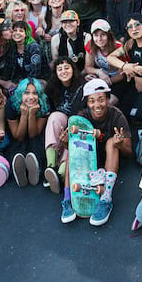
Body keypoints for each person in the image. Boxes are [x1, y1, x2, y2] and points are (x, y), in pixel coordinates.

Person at [59, 79, 132, 226]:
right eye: (92, 101)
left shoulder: (117, 116)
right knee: (70, 152)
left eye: (101, 100)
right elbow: (73, 148)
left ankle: (106, 199)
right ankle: (67, 199)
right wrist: (64, 142)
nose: (97, 105)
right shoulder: (82, 118)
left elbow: (129, 152)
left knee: (112, 142)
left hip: (110, 162)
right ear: (87, 102)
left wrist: (120, 144)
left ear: (107, 100)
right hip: (87, 160)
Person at [43, 57, 85, 193]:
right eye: (59, 69)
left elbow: (82, 112)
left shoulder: (82, 86)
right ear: (55, 72)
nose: (63, 71)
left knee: (73, 127)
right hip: (61, 121)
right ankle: (51, 166)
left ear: (73, 69)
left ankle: (60, 173)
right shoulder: (51, 87)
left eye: (67, 67)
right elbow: (50, 109)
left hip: (76, 122)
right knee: (54, 117)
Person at [6, 78, 49, 187]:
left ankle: (35, 169)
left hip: (36, 136)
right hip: (18, 136)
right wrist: (24, 115)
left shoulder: (45, 104)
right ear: (20, 94)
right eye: (26, 93)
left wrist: (32, 114)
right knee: (19, 147)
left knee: (35, 145)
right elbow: (18, 137)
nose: (31, 97)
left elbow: (33, 134)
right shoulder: (11, 104)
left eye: (35, 93)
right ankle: (20, 172)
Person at [0, 21, 48, 93]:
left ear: (26, 34)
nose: (17, 33)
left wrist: (19, 84)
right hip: (20, 79)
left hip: (38, 80)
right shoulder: (13, 48)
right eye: (15, 30)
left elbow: (34, 74)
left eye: (21, 31)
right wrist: (6, 83)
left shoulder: (34, 48)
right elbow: (8, 69)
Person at [84, 19, 125, 90]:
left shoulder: (119, 48)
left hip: (117, 81)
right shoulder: (90, 45)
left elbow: (121, 76)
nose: (99, 39)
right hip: (101, 77)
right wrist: (99, 72)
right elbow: (88, 67)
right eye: (96, 35)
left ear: (109, 35)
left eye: (103, 35)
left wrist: (101, 83)